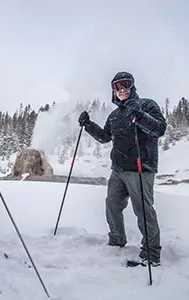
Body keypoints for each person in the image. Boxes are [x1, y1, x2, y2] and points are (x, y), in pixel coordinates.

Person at [78, 71, 166, 266]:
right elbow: (104, 137)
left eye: (125, 84)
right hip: (118, 169)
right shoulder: (115, 115)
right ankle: (117, 240)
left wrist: (140, 116)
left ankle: (151, 254)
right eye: (117, 86)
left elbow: (160, 129)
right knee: (112, 205)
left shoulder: (147, 105)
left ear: (132, 86)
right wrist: (88, 125)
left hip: (141, 167)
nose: (122, 89)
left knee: (143, 210)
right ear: (113, 90)